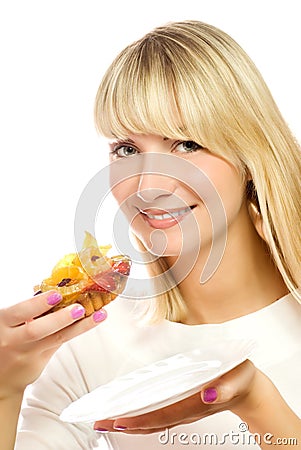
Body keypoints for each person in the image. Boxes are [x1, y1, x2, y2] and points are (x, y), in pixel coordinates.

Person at [1, 20, 300, 449]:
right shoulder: (91, 341)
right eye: (126, 149)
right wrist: (4, 391)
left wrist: (259, 404)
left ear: (250, 149)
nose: (147, 187)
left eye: (186, 144)